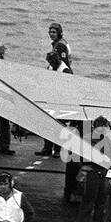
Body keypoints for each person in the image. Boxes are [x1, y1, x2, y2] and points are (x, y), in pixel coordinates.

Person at [34, 23, 73, 158]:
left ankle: (57, 149)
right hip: (51, 93)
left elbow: (65, 63)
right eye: (50, 31)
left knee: (59, 122)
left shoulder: (60, 47)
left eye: (54, 32)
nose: (51, 33)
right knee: (48, 120)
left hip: (60, 93)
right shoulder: (56, 47)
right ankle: (48, 147)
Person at [78, 115, 110, 222]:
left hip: (100, 172)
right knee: (90, 200)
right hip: (93, 172)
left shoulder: (104, 139)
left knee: (100, 200)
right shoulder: (88, 140)